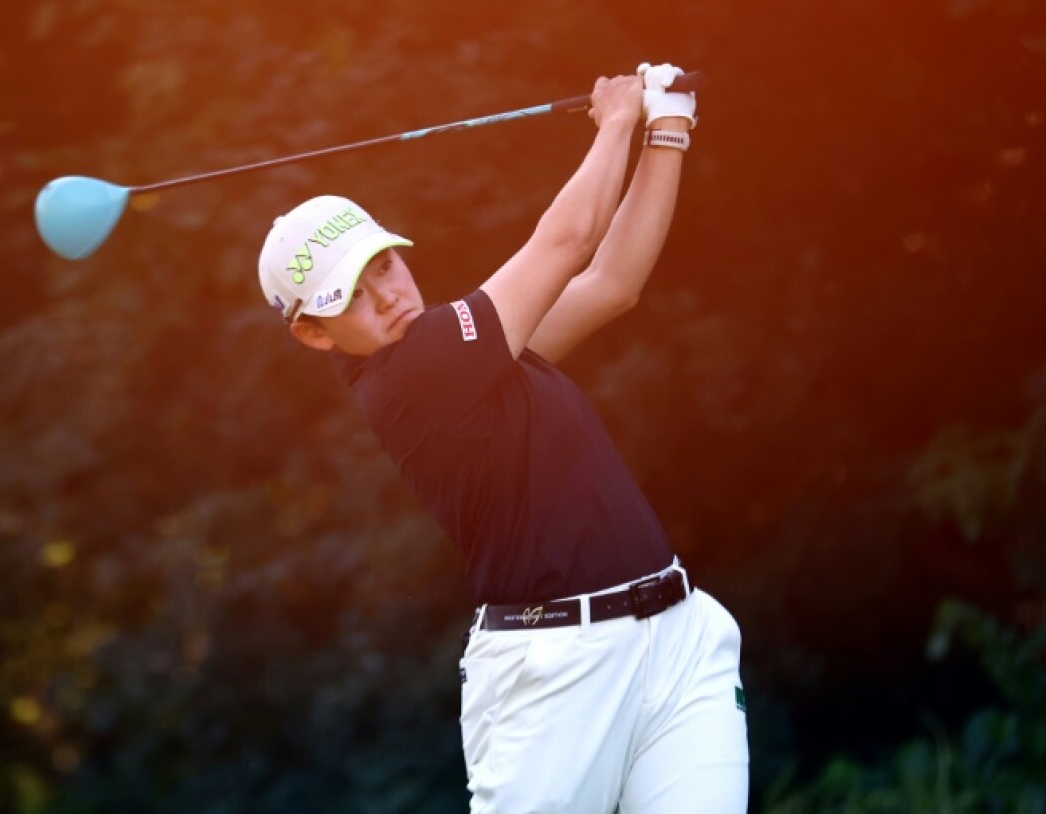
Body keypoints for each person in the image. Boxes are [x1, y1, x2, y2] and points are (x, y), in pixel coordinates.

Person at [257, 65, 748, 813]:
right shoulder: (413, 371)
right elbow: (567, 242)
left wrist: (667, 128)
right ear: (314, 334)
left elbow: (612, 283)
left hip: (677, 640)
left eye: (383, 264)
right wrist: (617, 117)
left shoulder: (473, 352)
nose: (387, 293)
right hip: (552, 675)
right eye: (350, 294)